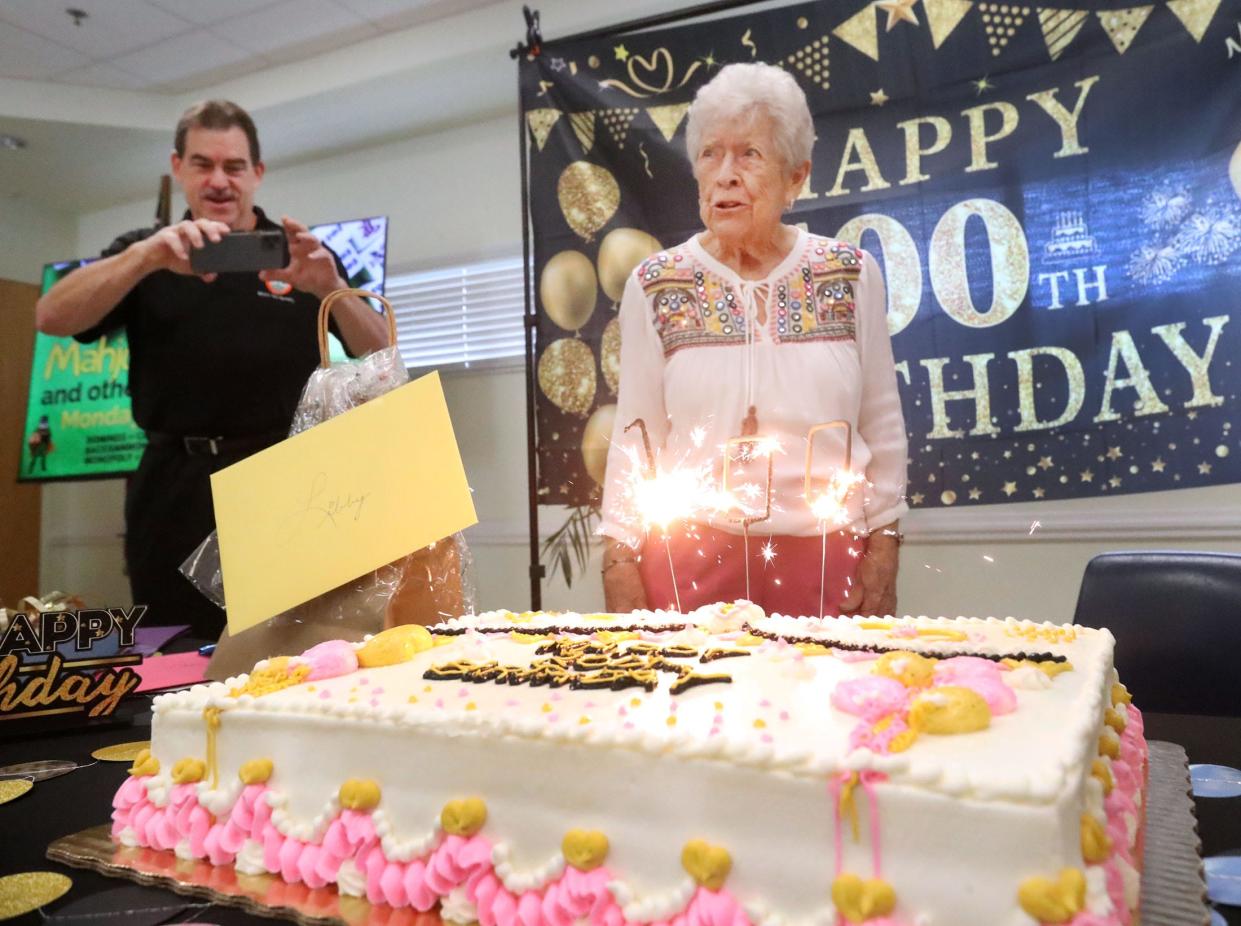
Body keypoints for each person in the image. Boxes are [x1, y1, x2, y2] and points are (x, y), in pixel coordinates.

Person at [36, 100, 389, 638]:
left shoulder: (301, 253)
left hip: (287, 485)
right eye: (203, 164)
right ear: (178, 168)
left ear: (258, 174)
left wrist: (329, 288)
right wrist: (147, 258)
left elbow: (382, 352)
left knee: (291, 655)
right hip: (172, 492)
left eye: (234, 166)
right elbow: (51, 316)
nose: (219, 181)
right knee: (175, 659)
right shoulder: (144, 254)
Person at [599, 63, 908, 618]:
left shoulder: (851, 274)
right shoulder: (654, 284)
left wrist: (884, 547)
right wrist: (618, 560)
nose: (725, 175)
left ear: (796, 177)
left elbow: (881, 424)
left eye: (749, 155)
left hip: (826, 555)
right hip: (687, 557)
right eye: (710, 154)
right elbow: (635, 434)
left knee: (824, 704)